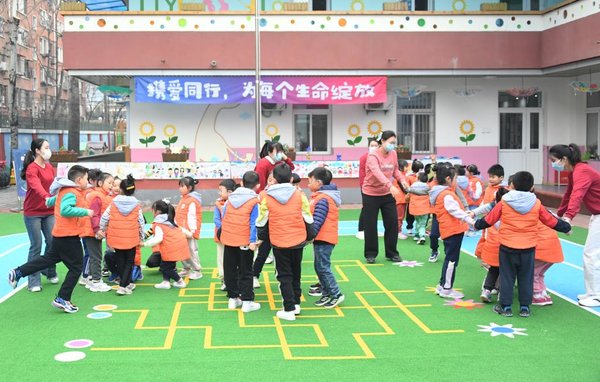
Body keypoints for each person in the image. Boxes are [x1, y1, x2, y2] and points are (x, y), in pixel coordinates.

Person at [474, 171, 571, 317]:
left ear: (512, 185)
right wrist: (566, 227)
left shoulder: (504, 201)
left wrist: (476, 224)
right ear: (532, 187)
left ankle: (505, 307)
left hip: (507, 246)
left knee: (507, 276)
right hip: (528, 247)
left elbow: (490, 219)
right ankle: (525, 307)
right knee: (526, 276)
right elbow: (550, 221)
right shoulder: (536, 203)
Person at [8, 165, 94, 313]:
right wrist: (86, 211)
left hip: (60, 235)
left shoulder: (66, 191)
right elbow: (65, 209)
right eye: (86, 178)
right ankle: (62, 298)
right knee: (76, 267)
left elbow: (51, 202)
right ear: (79, 180)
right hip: (68, 237)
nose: (88, 181)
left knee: (47, 259)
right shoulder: (71, 192)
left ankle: (18, 272)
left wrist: (52, 200)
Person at [256, 163, 314, 321]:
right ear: (290, 178)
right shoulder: (299, 195)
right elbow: (308, 217)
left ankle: (288, 308)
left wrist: (262, 237)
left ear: (273, 179)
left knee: (283, 275)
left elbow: (261, 221)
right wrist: (309, 236)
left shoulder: (267, 197)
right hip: (298, 239)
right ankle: (296, 304)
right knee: (296, 272)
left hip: (279, 241)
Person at [549, 143, 600, 307]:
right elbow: (568, 195)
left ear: (564, 159)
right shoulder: (575, 171)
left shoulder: (582, 171)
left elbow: (577, 196)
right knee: (592, 254)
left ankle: (596, 294)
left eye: (554, 160)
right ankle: (593, 291)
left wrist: (569, 218)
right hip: (596, 215)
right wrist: (559, 215)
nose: (553, 164)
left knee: (591, 254)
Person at [429, 164, 475, 299]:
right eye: (455, 178)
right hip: (452, 230)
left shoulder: (441, 192)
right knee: (452, 260)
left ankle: (442, 285)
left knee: (450, 258)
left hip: (450, 229)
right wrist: (470, 220)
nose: (456, 181)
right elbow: (454, 210)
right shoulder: (446, 194)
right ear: (448, 179)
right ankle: (447, 288)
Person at [20, 138, 59, 292]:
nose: (49, 150)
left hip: (49, 211)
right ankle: (33, 281)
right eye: (46, 147)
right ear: (37, 150)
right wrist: (46, 197)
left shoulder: (50, 167)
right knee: (36, 245)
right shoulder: (31, 168)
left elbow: (55, 184)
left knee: (52, 242)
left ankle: (50, 271)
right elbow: (36, 186)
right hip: (33, 212)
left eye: (49, 147)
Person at [219, 171, 261, 313]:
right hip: (244, 241)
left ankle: (233, 298)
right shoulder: (254, 201)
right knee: (246, 271)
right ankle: (247, 301)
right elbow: (254, 223)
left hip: (229, 239)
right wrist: (253, 241)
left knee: (230, 269)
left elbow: (224, 218)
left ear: (242, 183)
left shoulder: (229, 200)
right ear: (258, 186)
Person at [361, 131, 403, 264]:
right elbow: (377, 172)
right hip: (370, 194)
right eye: (390, 143)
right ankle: (370, 254)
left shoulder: (393, 154)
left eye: (394, 143)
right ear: (382, 141)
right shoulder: (372, 155)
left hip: (386, 194)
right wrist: (390, 185)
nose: (392, 146)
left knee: (392, 222)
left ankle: (392, 253)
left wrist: (403, 181)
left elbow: (395, 170)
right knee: (370, 225)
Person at [99, 175, 145, 296]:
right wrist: (142, 236)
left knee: (120, 260)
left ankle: (125, 283)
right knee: (129, 261)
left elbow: (104, 217)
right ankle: (123, 286)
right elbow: (141, 221)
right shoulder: (136, 205)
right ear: (133, 190)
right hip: (131, 237)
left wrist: (102, 229)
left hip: (116, 236)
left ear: (121, 189)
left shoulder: (113, 203)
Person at [308, 167, 344, 308]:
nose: (308, 184)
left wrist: (310, 235)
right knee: (319, 266)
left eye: (310, 181)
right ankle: (326, 292)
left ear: (319, 183)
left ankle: (336, 294)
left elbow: (318, 220)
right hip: (321, 238)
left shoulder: (323, 199)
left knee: (323, 267)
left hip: (324, 238)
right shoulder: (320, 197)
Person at [471, 187, 509, 303]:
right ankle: (502, 293)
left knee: (493, 269)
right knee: (506, 271)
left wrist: (473, 214)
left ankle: (486, 290)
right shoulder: (507, 211)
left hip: (491, 245)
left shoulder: (493, 211)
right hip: (505, 245)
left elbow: (485, 208)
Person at [143, 200, 189, 290]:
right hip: (176, 246)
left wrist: (144, 244)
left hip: (171, 247)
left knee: (165, 267)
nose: (151, 211)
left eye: (153, 209)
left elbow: (158, 238)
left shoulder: (159, 223)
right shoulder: (169, 219)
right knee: (166, 264)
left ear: (157, 211)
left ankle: (180, 281)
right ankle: (166, 282)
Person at [80, 172, 114, 292]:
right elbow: (94, 214)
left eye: (112, 183)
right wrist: (97, 229)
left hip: (91, 230)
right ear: (100, 183)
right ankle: (96, 281)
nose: (111, 185)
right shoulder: (97, 196)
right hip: (92, 230)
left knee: (94, 255)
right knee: (96, 256)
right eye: (109, 183)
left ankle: (91, 279)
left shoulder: (99, 195)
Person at [175, 176, 203, 280]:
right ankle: (186, 268)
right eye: (180, 186)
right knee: (182, 249)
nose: (180, 188)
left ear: (190, 188)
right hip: (181, 230)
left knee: (192, 250)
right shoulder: (184, 199)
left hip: (189, 231)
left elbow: (192, 216)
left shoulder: (192, 200)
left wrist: (192, 231)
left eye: (182, 186)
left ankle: (197, 270)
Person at [253, 171, 276, 289]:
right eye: (270, 180)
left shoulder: (284, 193)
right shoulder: (262, 194)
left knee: (280, 256)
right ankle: (254, 276)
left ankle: (281, 276)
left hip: (279, 230)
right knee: (262, 254)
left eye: (274, 180)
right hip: (265, 230)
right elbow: (259, 215)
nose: (272, 182)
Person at [214, 179, 238, 291]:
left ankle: (235, 280)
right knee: (221, 258)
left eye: (221, 190)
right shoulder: (218, 203)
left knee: (233, 259)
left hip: (234, 236)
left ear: (230, 192)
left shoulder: (236, 202)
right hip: (221, 236)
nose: (219, 193)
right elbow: (216, 220)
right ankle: (224, 280)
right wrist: (224, 229)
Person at [356, 138, 380, 240]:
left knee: (373, 209)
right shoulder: (365, 157)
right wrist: (364, 186)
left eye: (376, 145)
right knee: (366, 208)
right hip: (366, 187)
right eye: (372, 145)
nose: (374, 147)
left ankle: (371, 229)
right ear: (368, 146)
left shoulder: (379, 157)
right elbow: (363, 174)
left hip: (377, 187)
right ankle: (361, 229)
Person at [405, 172, 431, 245]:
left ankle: (417, 234)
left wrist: (406, 200)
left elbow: (408, 197)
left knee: (417, 221)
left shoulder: (412, 186)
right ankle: (422, 235)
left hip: (415, 208)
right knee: (423, 223)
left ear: (418, 178)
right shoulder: (428, 187)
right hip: (425, 208)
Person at [404, 160, 424, 237]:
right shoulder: (410, 177)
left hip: (421, 199)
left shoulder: (422, 177)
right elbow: (407, 188)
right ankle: (409, 227)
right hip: (412, 199)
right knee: (410, 214)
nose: (422, 170)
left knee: (421, 214)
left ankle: (420, 229)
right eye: (420, 169)